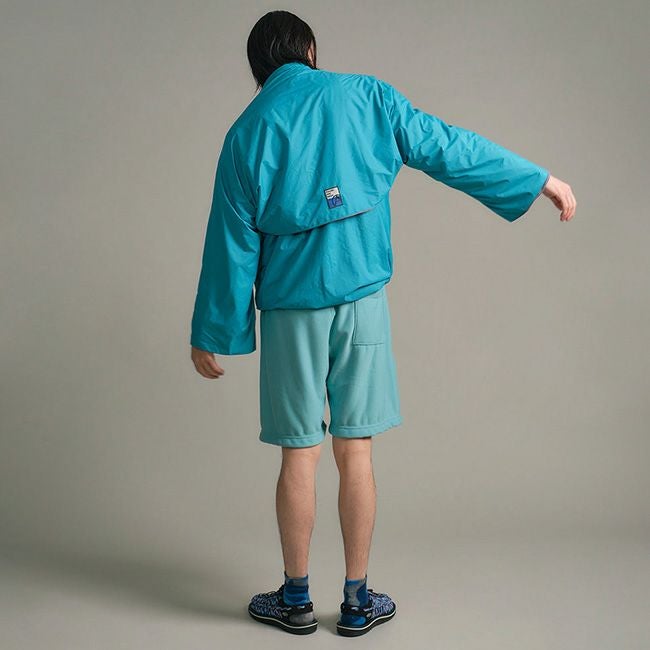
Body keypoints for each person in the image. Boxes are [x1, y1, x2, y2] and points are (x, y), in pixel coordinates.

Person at [189, 9, 577, 637]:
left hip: (290, 310)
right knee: (357, 449)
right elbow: (449, 146)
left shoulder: (246, 132)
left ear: (259, 68)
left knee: (299, 454)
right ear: (310, 51)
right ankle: (357, 600)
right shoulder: (368, 96)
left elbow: (230, 242)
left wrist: (213, 333)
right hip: (363, 300)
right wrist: (537, 180)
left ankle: (294, 601)